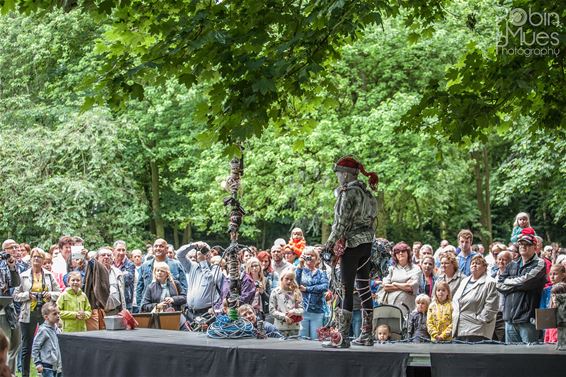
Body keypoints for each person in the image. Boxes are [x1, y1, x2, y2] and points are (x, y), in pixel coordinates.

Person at [322, 156, 378, 348]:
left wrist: (329, 245)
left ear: (345, 175)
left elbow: (340, 223)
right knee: (364, 288)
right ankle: (367, 335)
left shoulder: (347, 194)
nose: (338, 178)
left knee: (345, 290)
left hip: (352, 245)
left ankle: (342, 338)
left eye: (338, 174)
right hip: (367, 244)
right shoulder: (367, 194)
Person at [13, 248, 61, 377]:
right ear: (30, 259)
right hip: (28, 313)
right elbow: (15, 295)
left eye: (39, 257)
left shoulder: (49, 275)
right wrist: (28, 295)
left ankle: (47, 371)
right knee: (26, 346)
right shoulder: (23, 275)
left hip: (46, 313)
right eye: (34, 256)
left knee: (48, 341)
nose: (36, 259)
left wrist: (49, 294)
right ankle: (25, 374)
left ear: (43, 260)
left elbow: (59, 292)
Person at [497, 227, 546, 344]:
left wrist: (509, 282)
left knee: (530, 359)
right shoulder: (512, 264)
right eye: (520, 244)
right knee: (511, 359)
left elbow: (528, 282)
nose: (523, 246)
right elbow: (499, 284)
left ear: (534, 247)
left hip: (528, 320)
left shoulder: (540, 263)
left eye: (527, 244)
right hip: (509, 319)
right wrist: (520, 285)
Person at [452, 255, 498, 342]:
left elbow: (492, 306)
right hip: (459, 327)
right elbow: (455, 300)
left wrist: (480, 320)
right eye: (472, 263)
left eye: (478, 263)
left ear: (485, 267)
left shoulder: (490, 282)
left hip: (477, 329)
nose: (474, 265)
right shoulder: (464, 281)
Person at [176, 242, 224, 321]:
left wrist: (203, 262)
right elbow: (179, 254)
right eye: (200, 252)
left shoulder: (216, 268)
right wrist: (193, 245)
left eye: (205, 252)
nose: (204, 254)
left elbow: (211, 281)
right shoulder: (192, 266)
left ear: (210, 254)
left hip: (207, 313)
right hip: (190, 313)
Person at [135, 239, 187, 312]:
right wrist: (141, 307)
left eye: (161, 246)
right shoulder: (145, 265)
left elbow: (184, 288)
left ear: (166, 249)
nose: (158, 248)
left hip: (172, 311)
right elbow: (139, 288)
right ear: (153, 249)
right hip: (150, 310)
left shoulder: (176, 265)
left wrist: (181, 304)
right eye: (156, 246)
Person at [380, 242, 422, 315]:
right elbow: (386, 287)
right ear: (395, 255)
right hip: (390, 306)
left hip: (408, 307)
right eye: (397, 252)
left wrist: (394, 283)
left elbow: (410, 287)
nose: (400, 253)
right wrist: (404, 285)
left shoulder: (416, 269)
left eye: (403, 251)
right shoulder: (390, 269)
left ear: (408, 253)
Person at [296, 249, 329, 340]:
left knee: (316, 339)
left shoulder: (322, 272)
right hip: (302, 310)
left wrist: (307, 289)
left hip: (317, 311)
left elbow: (324, 287)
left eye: (312, 255)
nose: (309, 257)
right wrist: (300, 265)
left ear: (317, 258)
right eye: (307, 255)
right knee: (303, 340)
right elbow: (295, 284)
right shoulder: (300, 270)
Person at [0, 239, 21, 373]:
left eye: (16, 247)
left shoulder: (10, 264)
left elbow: (16, 283)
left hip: (9, 308)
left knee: (15, 342)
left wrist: (12, 267)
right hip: (0, 310)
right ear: (4, 250)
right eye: (11, 247)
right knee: (5, 342)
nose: (14, 250)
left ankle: (10, 373)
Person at [269, 270, 303, 337]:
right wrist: (284, 316)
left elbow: (301, 309)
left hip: (295, 328)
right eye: (287, 279)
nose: (289, 281)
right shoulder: (275, 292)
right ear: (282, 279)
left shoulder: (296, 292)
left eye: (291, 279)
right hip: (280, 328)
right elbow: (272, 310)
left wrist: (294, 311)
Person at [31, 302, 62, 377]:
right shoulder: (43, 330)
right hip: (46, 367)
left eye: (58, 313)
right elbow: (35, 347)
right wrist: (37, 363)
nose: (58, 316)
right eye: (54, 314)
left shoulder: (58, 330)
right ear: (46, 317)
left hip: (57, 366)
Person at [97, 248, 126, 316]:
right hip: (99, 313)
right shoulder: (93, 273)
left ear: (112, 258)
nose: (106, 257)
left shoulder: (118, 272)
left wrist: (123, 310)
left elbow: (122, 294)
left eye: (109, 255)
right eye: (103, 255)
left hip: (115, 312)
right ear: (97, 258)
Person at [112, 240, 135, 311]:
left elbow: (127, 280)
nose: (121, 252)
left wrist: (113, 276)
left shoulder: (130, 264)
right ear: (113, 251)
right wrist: (122, 274)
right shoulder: (109, 263)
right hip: (112, 300)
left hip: (126, 300)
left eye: (123, 250)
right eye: (119, 250)